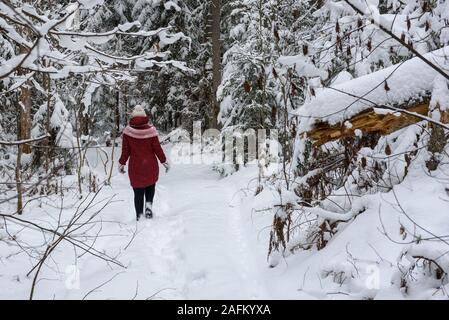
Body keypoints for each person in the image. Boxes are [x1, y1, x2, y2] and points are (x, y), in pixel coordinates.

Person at [118, 105, 169, 221]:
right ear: (145, 116)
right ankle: (148, 208)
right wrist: (164, 161)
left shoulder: (127, 132)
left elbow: (125, 151)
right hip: (150, 166)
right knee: (150, 187)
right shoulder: (151, 131)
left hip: (136, 168)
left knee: (138, 192)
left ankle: (139, 215)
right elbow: (158, 149)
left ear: (132, 117)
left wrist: (121, 163)